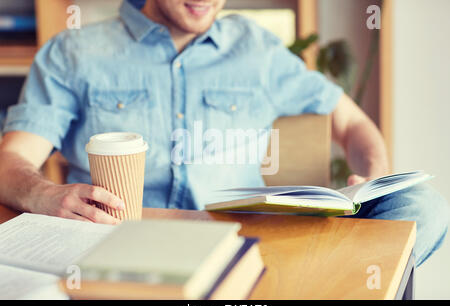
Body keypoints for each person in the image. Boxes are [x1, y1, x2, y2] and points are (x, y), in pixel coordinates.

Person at [0, 0, 447, 266]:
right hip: (120, 248)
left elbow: (352, 123)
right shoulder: (74, 51)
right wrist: (44, 195)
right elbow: (11, 160)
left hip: (242, 247)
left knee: (420, 203)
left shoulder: (258, 50)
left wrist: (371, 178)